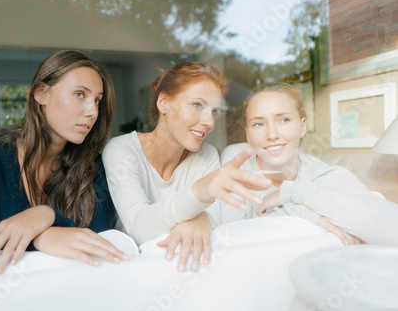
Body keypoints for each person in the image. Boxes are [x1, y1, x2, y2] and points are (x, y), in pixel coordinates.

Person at [0, 49, 129, 275]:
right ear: (41, 93)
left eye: (97, 101)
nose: (92, 111)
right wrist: (42, 238)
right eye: (80, 94)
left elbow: (99, 251)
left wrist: (46, 216)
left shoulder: (93, 167)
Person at [102, 61, 271, 272]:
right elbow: (138, 226)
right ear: (163, 102)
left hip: (185, 271)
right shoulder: (122, 150)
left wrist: (203, 219)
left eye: (215, 111)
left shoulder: (206, 155)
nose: (209, 122)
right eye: (197, 105)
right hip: (134, 271)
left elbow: (214, 220)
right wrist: (199, 196)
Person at [221, 82, 398, 245]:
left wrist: (292, 192)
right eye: (259, 124)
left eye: (283, 120)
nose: (272, 134)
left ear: (302, 127)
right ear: (248, 134)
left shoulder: (321, 174)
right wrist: (306, 214)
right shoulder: (236, 161)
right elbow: (229, 241)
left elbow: (391, 227)